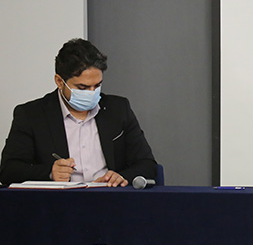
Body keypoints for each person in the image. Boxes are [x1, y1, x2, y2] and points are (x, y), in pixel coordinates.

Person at [0, 38, 157, 187]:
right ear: (59, 81)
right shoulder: (31, 115)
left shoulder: (118, 109)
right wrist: (50, 172)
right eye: (82, 87)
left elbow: (147, 164)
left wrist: (122, 177)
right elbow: (9, 170)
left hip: (110, 197)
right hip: (58, 202)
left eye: (97, 86)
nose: (92, 92)